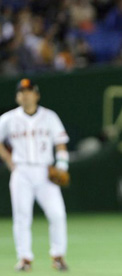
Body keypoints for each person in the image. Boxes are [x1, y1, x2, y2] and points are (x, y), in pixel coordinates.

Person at [0, 79, 70, 272]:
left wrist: (62, 165)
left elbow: (60, 143)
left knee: (57, 214)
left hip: (45, 171)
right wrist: (8, 159)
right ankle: (24, 258)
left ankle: (58, 256)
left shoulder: (49, 117)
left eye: (29, 91)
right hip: (21, 171)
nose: (26, 95)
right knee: (22, 216)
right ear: (17, 96)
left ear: (36, 95)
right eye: (22, 92)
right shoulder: (8, 118)